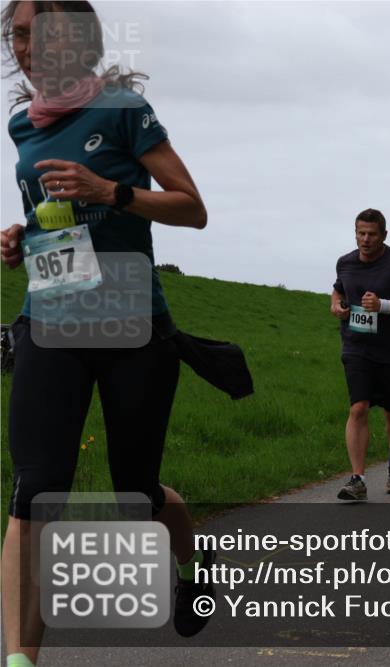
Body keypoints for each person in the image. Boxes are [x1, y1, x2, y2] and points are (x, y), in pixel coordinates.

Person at [0, 3, 219, 664]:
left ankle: (194, 563)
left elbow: (192, 209)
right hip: (50, 319)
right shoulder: (21, 124)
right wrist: (21, 237)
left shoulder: (124, 111)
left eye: (41, 35)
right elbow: (52, 215)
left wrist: (111, 192)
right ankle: (19, 658)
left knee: (136, 493)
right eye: (17, 36)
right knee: (34, 492)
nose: (27, 48)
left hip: (130, 322)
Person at [330, 208, 390, 501]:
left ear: (384, 235)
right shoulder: (345, 262)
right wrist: (336, 305)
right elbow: (338, 290)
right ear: (355, 233)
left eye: (372, 234)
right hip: (356, 347)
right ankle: (357, 479)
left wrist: (383, 305)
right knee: (358, 408)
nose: (366, 239)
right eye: (361, 233)